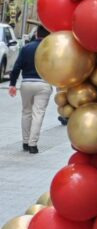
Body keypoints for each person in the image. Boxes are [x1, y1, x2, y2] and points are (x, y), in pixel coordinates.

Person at [8, 25, 52, 154]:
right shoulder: (50, 49)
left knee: (26, 113)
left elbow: (17, 67)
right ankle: (33, 145)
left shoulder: (26, 47)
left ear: (37, 33)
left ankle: (25, 142)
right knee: (38, 113)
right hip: (43, 84)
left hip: (26, 83)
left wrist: (12, 84)